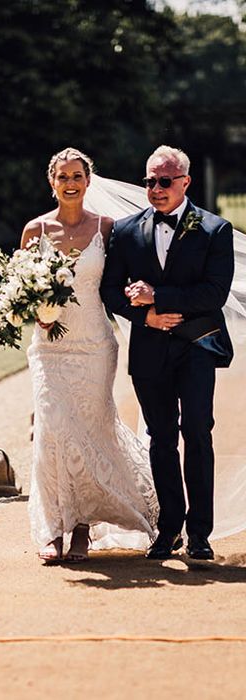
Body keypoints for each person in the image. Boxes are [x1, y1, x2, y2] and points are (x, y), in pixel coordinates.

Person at [22, 147, 159, 563]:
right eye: (62, 177)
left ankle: (82, 529)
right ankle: (52, 529)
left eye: (77, 176)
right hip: (49, 348)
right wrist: (37, 313)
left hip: (96, 346)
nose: (70, 183)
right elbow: (21, 289)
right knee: (51, 433)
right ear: (52, 183)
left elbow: (119, 285)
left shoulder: (108, 228)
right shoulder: (34, 231)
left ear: (88, 180)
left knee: (91, 432)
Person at [101, 145, 234, 561]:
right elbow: (109, 291)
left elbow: (215, 292)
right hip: (149, 351)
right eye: (150, 181)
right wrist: (146, 318)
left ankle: (200, 534)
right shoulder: (124, 232)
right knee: (160, 439)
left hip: (196, 347)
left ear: (185, 182)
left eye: (164, 181)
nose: (155, 189)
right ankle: (168, 528)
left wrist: (158, 296)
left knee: (197, 433)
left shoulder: (215, 229)